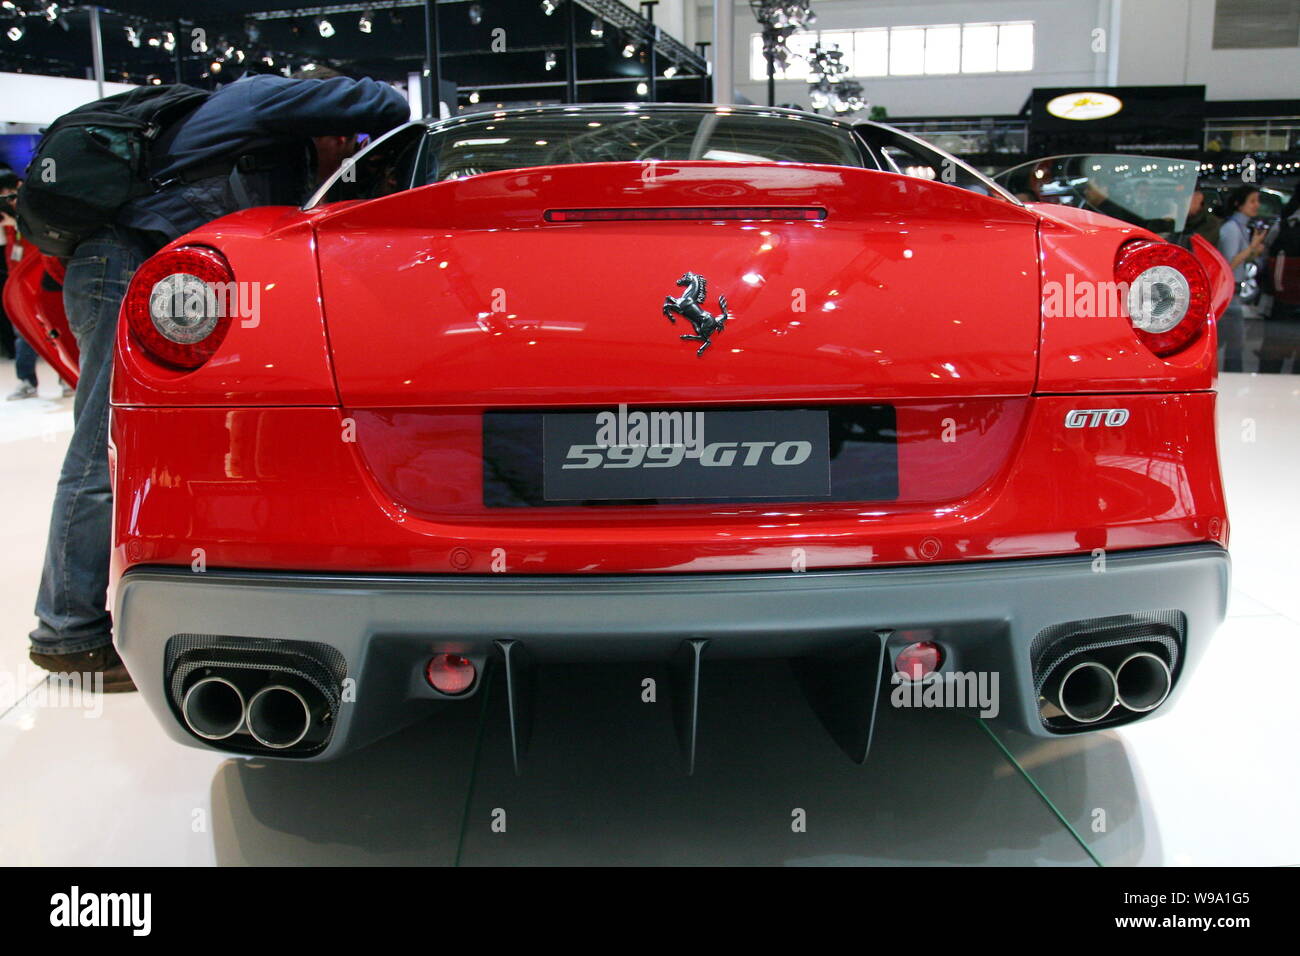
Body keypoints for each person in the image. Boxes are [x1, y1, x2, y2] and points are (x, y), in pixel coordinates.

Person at [26, 69, 409, 690]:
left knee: (129, 447)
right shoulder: (258, 97)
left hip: (137, 272)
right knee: (102, 448)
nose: (343, 148)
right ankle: (66, 631)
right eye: (338, 135)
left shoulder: (250, 147)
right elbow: (384, 97)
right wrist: (354, 102)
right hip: (119, 267)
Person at [1215, 185, 1269, 373]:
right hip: (1229, 295)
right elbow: (1228, 264)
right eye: (1252, 201)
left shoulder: (1242, 228)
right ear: (1239, 204)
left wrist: (1252, 251)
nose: (1257, 205)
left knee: (1232, 343)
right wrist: (1252, 248)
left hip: (1234, 294)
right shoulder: (1231, 228)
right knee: (1234, 345)